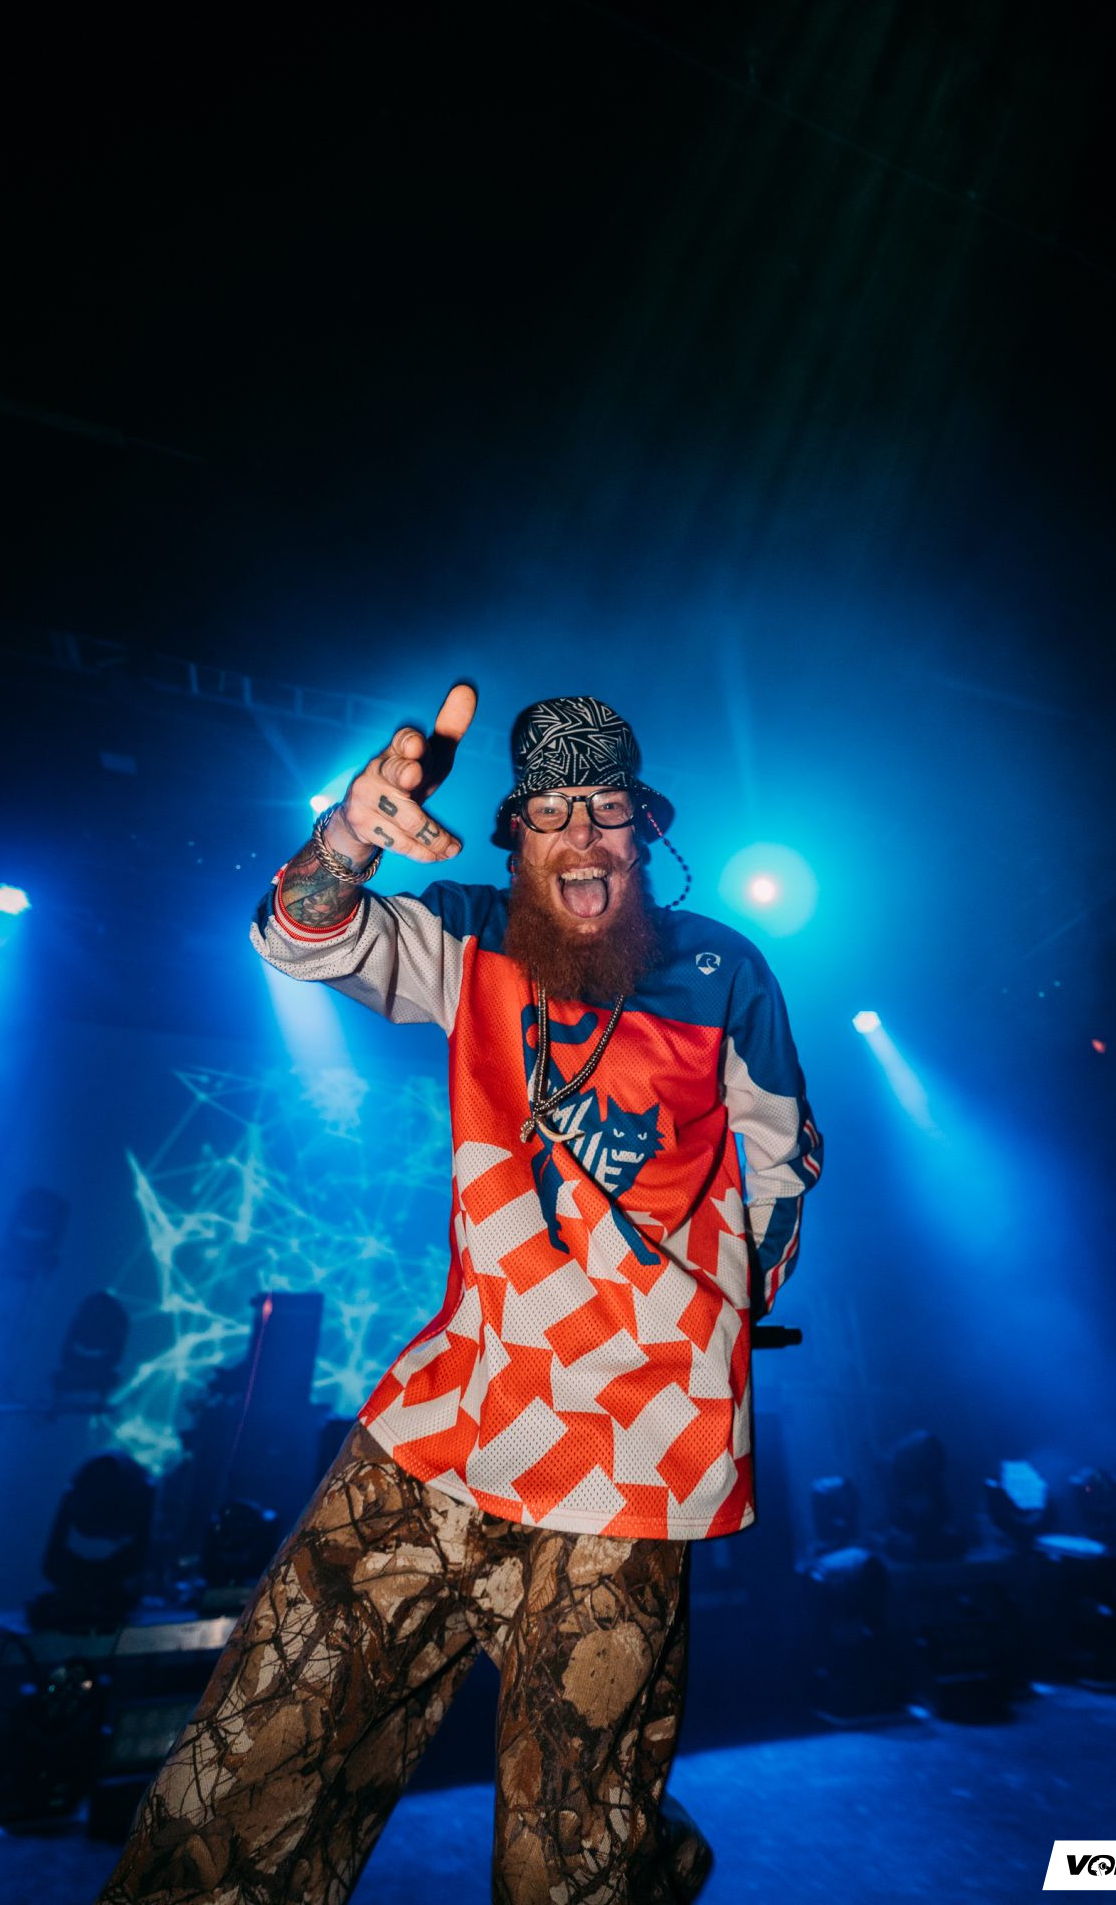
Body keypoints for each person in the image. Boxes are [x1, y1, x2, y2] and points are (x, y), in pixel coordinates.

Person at [98, 688, 821, 1905]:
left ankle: (630, 1850)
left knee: (563, 1860)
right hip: (451, 1420)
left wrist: (699, 1313)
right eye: (550, 811)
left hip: (633, 1455)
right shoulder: (471, 939)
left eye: (606, 809)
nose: (580, 835)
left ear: (645, 831)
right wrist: (349, 834)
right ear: (513, 836)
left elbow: (777, 1161)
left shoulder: (720, 969)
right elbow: (300, 938)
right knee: (243, 1773)